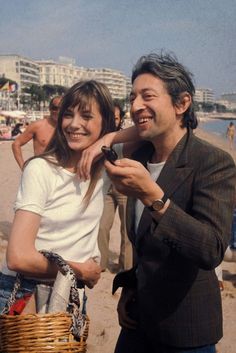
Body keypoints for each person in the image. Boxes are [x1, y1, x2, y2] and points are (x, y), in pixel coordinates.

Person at [86, 53, 236, 353]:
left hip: (186, 331)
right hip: (137, 323)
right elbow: (144, 244)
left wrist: (152, 196)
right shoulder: (138, 157)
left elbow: (211, 249)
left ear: (182, 104)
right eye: (133, 97)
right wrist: (130, 287)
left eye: (148, 96)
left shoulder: (213, 162)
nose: (136, 105)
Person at [0, 80, 118, 315]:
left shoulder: (103, 169)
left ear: (105, 122)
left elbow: (152, 132)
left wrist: (105, 141)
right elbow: (17, 257)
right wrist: (80, 271)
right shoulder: (41, 169)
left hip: (70, 292)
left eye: (86, 116)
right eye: (68, 114)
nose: (74, 124)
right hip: (26, 291)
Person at [98, 101, 133, 272]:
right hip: (105, 188)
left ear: (121, 120)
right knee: (102, 226)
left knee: (126, 230)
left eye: (116, 118)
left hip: (124, 189)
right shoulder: (99, 138)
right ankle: (101, 263)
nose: (113, 121)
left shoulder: (127, 137)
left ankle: (125, 266)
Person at [11, 95, 62, 170]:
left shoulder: (68, 128)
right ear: (50, 108)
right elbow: (16, 144)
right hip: (41, 170)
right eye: (55, 108)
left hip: (61, 171)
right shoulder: (37, 126)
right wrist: (23, 167)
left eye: (61, 108)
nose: (58, 111)